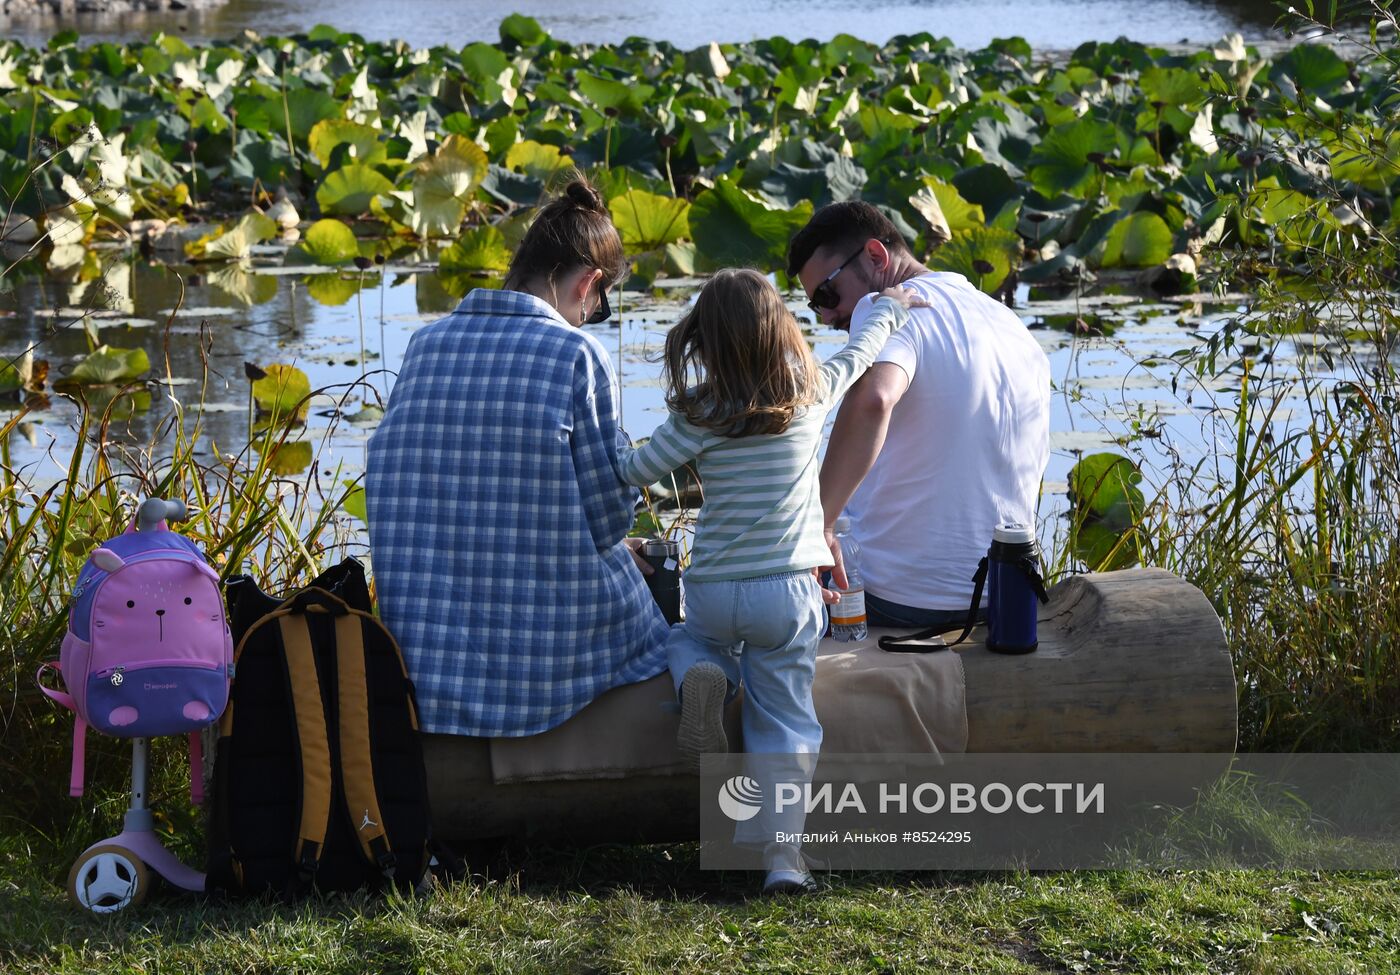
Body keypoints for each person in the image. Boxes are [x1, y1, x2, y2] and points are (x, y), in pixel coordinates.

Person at [616, 268, 920, 894]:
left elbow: (637, 469)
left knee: (686, 640)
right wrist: (888, 306)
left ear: (704, 338)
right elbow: (861, 352)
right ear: (781, 329)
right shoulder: (809, 392)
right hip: (786, 592)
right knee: (786, 718)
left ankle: (706, 677)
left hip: (715, 587)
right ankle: (784, 859)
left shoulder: (701, 412)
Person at [365, 178, 669, 738]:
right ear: (589, 283)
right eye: (599, 306)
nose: (591, 318)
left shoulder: (423, 345)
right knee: (662, 618)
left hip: (428, 666)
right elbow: (609, 523)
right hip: (542, 674)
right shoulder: (576, 353)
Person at [787, 201, 1051, 629]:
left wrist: (821, 524)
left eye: (827, 295)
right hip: (1006, 596)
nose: (828, 315)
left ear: (876, 256)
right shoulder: (1008, 322)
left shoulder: (889, 306)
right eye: (815, 306)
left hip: (899, 597)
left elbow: (875, 399)